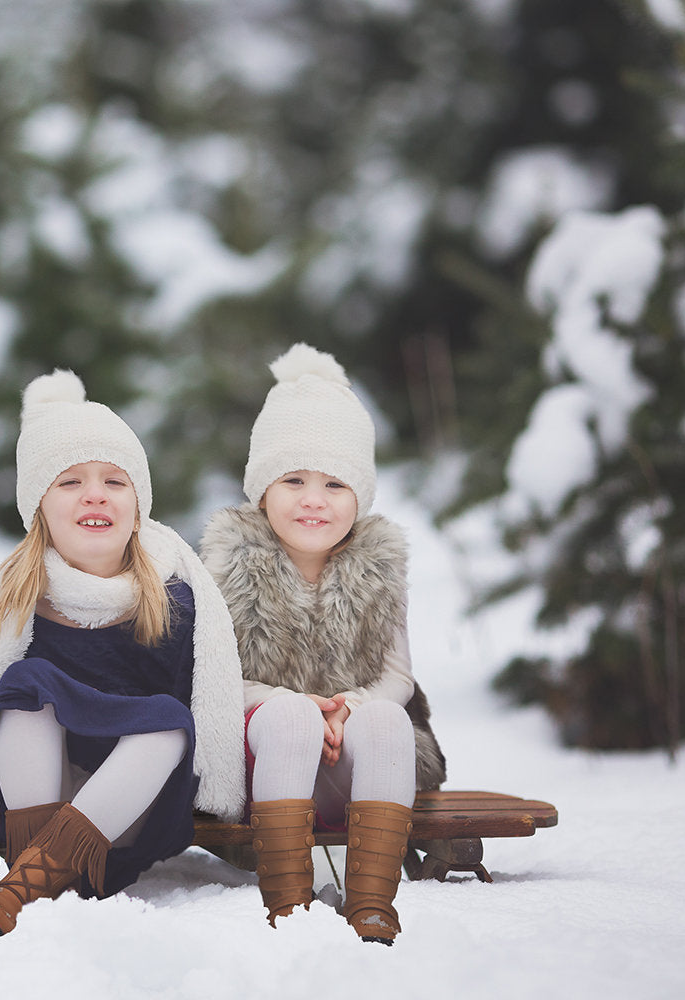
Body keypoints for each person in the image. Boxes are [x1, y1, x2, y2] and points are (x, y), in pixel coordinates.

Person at [0, 369, 246, 936]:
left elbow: (208, 708)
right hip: (32, 801)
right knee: (27, 685)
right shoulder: (18, 595)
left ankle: (24, 888)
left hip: (132, 803)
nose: (95, 493)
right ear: (37, 507)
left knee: (168, 718)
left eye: (114, 481)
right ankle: (32, 879)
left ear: (137, 507)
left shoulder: (175, 594)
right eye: (70, 482)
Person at [199, 343, 446, 946]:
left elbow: (397, 675)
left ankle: (371, 902)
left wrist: (350, 708)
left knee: (389, 718)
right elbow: (213, 677)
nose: (314, 499)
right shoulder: (226, 566)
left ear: (359, 497)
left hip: (347, 774)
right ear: (262, 490)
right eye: (294, 480)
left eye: (335, 483)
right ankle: (288, 900)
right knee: (287, 715)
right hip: (262, 763)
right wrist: (301, 706)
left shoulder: (379, 568)